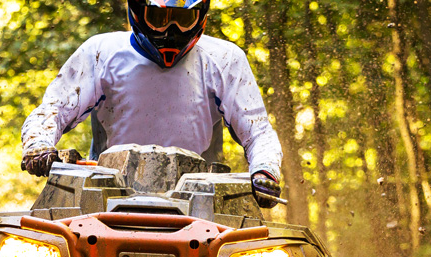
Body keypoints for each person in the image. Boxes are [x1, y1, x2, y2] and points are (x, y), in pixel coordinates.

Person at [20, 0, 283, 208]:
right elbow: (52, 110)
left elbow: (258, 131)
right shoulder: (101, 52)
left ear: (201, 15)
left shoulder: (225, 59)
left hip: (202, 200)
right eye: (159, 18)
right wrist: (38, 145)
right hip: (102, 194)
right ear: (137, 11)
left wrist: (265, 171)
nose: (171, 30)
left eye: (183, 19)